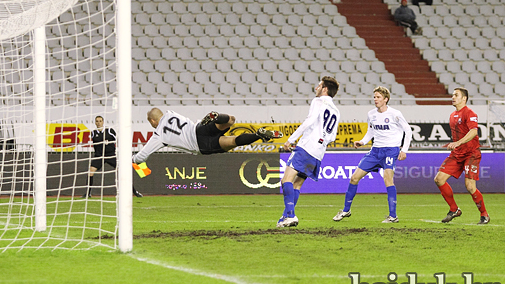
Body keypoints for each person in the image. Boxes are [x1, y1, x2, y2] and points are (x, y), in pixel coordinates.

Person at [333, 86, 412, 224]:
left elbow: (408, 130)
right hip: (375, 151)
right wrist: (362, 142)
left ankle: (393, 216)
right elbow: (371, 131)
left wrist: (404, 150)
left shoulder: (395, 113)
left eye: (378, 97)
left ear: (385, 99)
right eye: (374, 97)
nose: (375, 99)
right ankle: (346, 210)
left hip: (390, 150)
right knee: (354, 178)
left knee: (388, 179)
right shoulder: (371, 114)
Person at [276, 76, 341, 228]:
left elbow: (309, 121)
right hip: (318, 152)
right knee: (297, 184)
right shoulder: (336, 111)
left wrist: (291, 140)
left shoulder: (318, 101)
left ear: (325, 89)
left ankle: (290, 216)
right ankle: (285, 216)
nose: (316, 88)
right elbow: (332, 136)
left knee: (286, 180)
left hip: (306, 146)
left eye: (319, 86)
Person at [132, 108, 282, 164]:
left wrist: (132, 160)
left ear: (152, 121)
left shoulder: (159, 134)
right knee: (231, 120)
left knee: (232, 142)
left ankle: (257, 135)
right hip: (199, 128)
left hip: (200, 144)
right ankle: (217, 117)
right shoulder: (172, 114)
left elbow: (142, 156)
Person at [434, 88, 490, 225]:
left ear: (464, 98)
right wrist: (453, 144)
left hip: (471, 153)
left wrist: (458, 142)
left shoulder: (470, 113)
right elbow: (459, 134)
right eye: (453, 95)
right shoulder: (453, 115)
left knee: (470, 186)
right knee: (439, 179)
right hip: (457, 154)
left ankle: (484, 214)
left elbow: (473, 132)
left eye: (456, 95)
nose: (453, 97)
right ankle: (454, 209)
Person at [82, 115, 143, 198]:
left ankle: (134, 192)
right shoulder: (93, 133)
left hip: (110, 155)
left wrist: (109, 143)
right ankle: (88, 193)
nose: (98, 123)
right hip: (99, 156)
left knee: (122, 172)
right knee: (90, 172)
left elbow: (117, 140)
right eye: (97, 121)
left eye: (100, 121)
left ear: (103, 122)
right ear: (95, 123)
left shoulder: (110, 131)